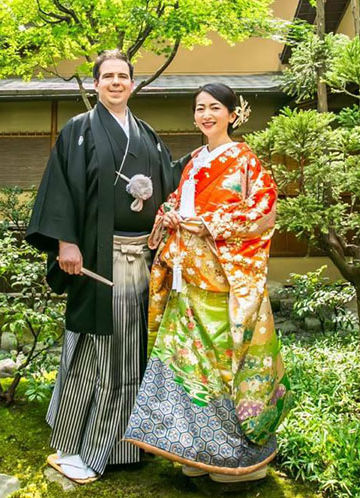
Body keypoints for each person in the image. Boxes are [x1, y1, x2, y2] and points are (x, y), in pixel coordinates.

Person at [25, 49, 185, 484]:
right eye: (108, 76)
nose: (116, 82)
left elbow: (169, 184)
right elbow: (61, 188)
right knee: (95, 348)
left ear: (132, 84)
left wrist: (200, 163)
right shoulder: (79, 130)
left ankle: (116, 448)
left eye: (123, 76)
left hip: (142, 259)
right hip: (97, 257)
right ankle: (81, 442)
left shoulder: (148, 134)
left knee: (129, 353)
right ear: (95, 84)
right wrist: (67, 242)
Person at [123, 83, 293, 483]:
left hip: (223, 281)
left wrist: (208, 224)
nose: (206, 115)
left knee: (220, 366)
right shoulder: (195, 159)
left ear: (234, 114)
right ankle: (196, 450)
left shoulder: (246, 160)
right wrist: (167, 215)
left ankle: (235, 459)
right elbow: (177, 202)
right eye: (199, 108)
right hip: (187, 279)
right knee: (187, 367)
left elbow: (263, 214)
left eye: (215, 108)